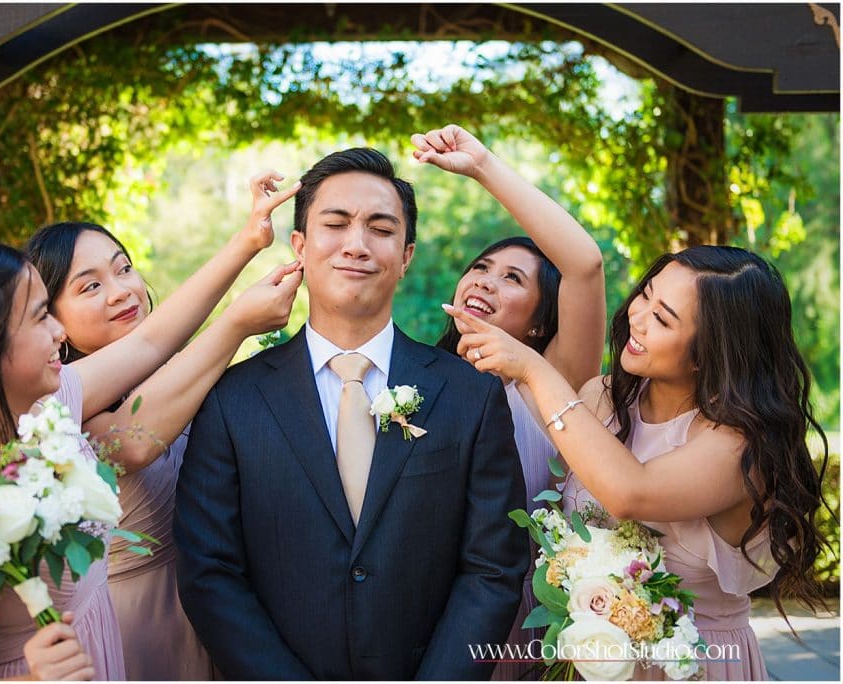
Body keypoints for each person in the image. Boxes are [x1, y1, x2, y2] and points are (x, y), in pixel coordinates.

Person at [0, 234, 272, 680]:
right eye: (39, 317)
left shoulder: (50, 411)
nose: (59, 331)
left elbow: (151, 343)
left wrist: (249, 241)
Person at [174, 147, 529, 679]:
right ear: (299, 245)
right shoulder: (233, 398)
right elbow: (210, 572)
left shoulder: (469, 394)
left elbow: (493, 567)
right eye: (335, 224)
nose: (357, 245)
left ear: (406, 256)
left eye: (381, 229)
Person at [445, 245, 829, 680]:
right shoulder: (603, 399)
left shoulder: (742, 445)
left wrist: (534, 369)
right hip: (590, 661)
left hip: (695, 664)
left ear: (711, 353)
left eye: (663, 318)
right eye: (645, 295)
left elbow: (631, 493)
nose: (638, 317)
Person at [25, 170, 302, 680]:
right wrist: (237, 321)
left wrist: (250, 238)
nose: (121, 291)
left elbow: (157, 342)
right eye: (90, 286)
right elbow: (135, 442)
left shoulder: (172, 368)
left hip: (231, 607)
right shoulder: (52, 402)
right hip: (141, 623)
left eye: (123, 269)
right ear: (52, 319)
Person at [413, 123, 605, 679]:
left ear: (544, 317)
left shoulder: (553, 380)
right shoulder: (414, 377)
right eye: (481, 268)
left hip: (522, 619)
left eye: (513, 278)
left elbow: (585, 265)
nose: (487, 282)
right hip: (422, 611)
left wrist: (481, 167)